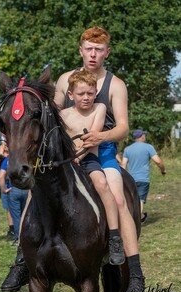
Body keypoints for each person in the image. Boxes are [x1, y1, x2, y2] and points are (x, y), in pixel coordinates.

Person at [54, 26, 145, 292]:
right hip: (69, 150)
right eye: (88, 49)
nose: (93, 54)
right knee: (37, 188)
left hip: (102, 150)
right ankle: (22, 260)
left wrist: (99, 137)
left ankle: (136, 272)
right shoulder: (65, 79)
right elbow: (53, 116)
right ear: (80, 50)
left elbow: (124, 128)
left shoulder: (115, 85)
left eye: (99, 50)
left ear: (107, 52)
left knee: (117, 198)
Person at [60, 69, 125, 265]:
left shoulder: (100, 108)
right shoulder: (63, 113)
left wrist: (79, 156)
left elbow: (94, 135)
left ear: (95, 92)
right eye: (81, 94)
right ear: (70, 95)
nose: (86, 98)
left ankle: (114, 237)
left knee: (102, 183)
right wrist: (69, 156)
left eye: (90, 93)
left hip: (89, 158)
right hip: (67, 160)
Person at [122, 130, 166, 223]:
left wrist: (123, 178)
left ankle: (138, 217)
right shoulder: (148, 147)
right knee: (141, 199)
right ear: (142, 136)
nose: (145, 137)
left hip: (130, 179)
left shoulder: (127, 149)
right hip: (143, 179)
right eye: (144, 135)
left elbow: (123, 165)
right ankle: (137, 221)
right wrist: (163, 170)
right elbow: (158, 161)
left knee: (132, 199)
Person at [0, 156, 29, 292]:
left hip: (15, 189)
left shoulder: (8, 159)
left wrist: (4, 189)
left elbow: (1, 176)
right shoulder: (26, 156)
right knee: (26, 214)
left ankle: (19, 241)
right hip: (27, 189)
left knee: (17, 218)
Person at [0, 141, 15, 241]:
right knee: (9, 209)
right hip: (6, 184)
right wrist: (0, 156)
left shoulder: (15, 155)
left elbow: (0, 176)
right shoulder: (3, 156)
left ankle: (15, 230)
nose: (6, 147)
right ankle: (12, 228)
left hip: (11, 185)